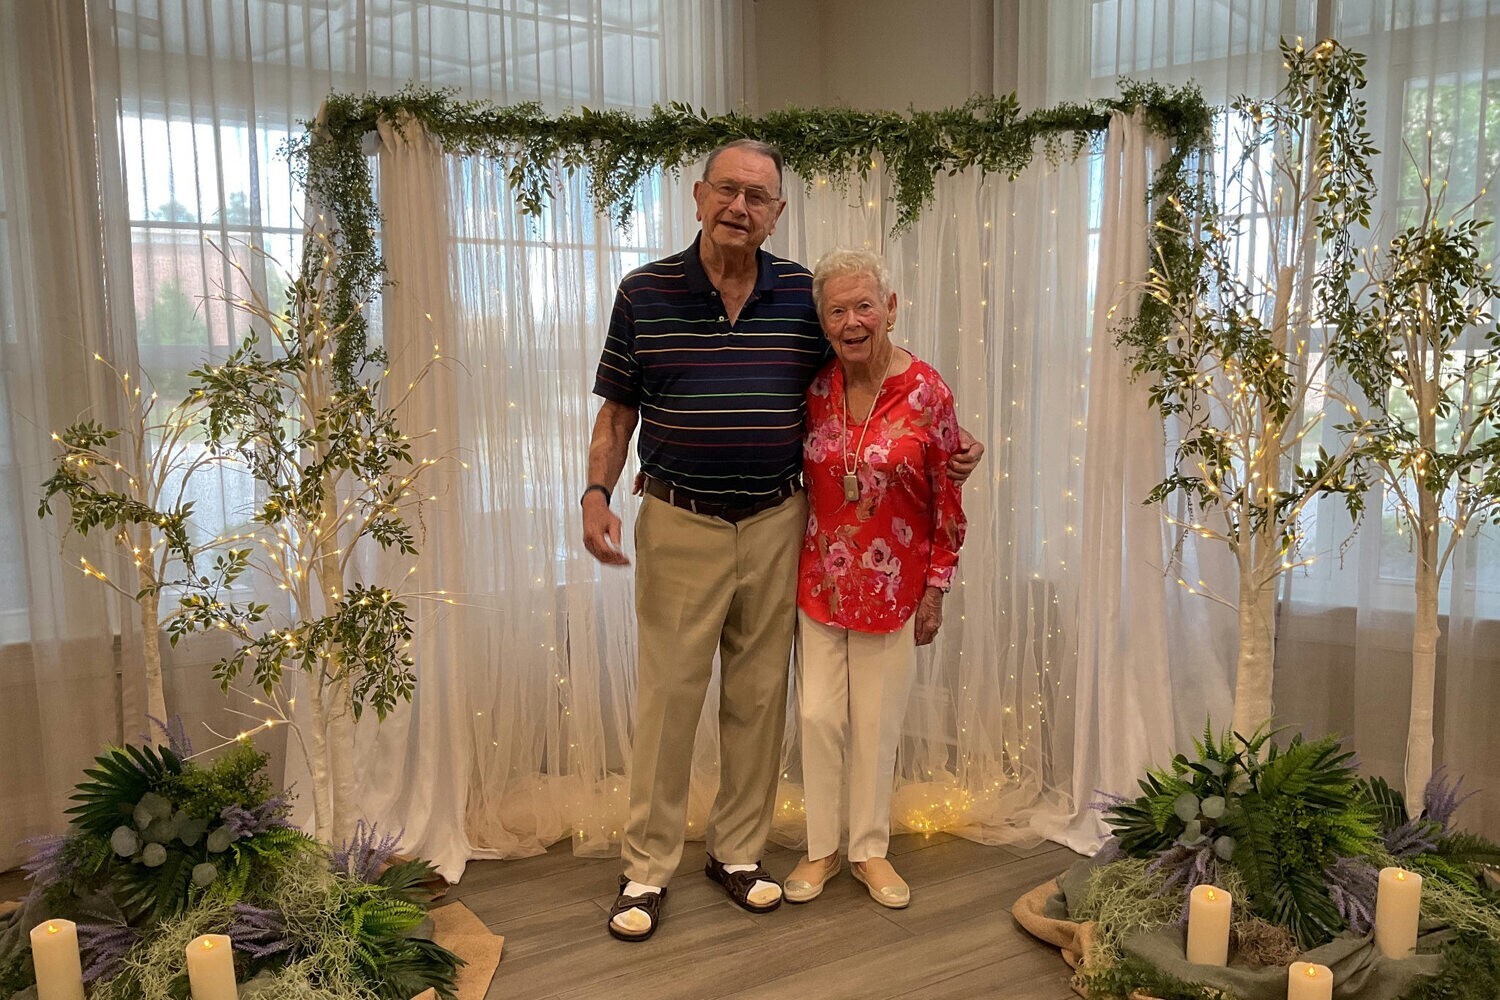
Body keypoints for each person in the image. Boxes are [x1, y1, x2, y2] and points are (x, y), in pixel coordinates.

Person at [580, 139, 980, 942]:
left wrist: (948, 444)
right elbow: (618, 411)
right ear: (699, 196)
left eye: (757, 196)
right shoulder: (644, 292)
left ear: (777, 212)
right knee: (668, 699)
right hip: (680, 518)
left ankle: (736, 852)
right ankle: (647, 866)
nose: (740, 206)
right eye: (727, 190)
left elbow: (871, 373)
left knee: (759, 698)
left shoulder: (804, 295)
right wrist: (595, 492)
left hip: (776, 522)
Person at [782, 248, 967, 911]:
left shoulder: (927, 391)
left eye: (864, 305)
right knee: (818, 716)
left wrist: (937, 587)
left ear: (890, 307)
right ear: (824, 323)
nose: (852, 322)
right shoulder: (816, 389)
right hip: (820, 582)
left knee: (876, 724)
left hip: (895, 588)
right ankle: (821, 847)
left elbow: (948, 498)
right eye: (837, 311)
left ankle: (868, 849)